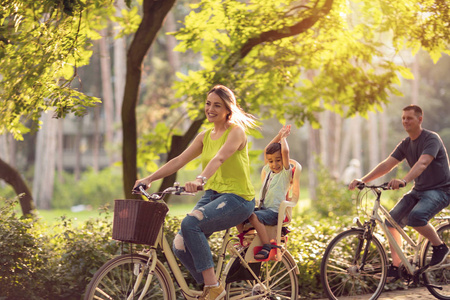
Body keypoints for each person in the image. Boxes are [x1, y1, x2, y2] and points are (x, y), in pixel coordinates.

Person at [133, 85, 257, 300]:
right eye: (208, 103)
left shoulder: (236, 131)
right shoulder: (204, 136)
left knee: (190, 223)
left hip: (238, 198)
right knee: (179, 246)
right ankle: (213, 289)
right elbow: (179, 160)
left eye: (217, 105)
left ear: (228, 109)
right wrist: (149, 178)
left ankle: (213, 287)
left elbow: (219, 158)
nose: (210, 108)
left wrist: (201, 179)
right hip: (213, 196)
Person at [349, 104, 450, 280]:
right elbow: (387, 164)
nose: (405, 121)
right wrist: (363, 180)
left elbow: (423, 163)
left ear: (420, 119)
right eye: (403, 118)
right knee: (391, 223)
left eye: (409, 118)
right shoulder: (405, 144)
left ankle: (439, 246)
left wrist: (404, 180)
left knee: (416, 218)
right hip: (419, 190)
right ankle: (397, 266)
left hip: (440, 190)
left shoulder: (431, 139)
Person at [236, 125, 292, 260]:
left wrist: (283, 138)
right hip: (263, 209)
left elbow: (284, 152)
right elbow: (267, 149)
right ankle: (244, 238)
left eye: (278, 160)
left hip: (274, 213)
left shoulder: (284, 173)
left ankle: (267, 245)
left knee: (254, 216)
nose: (274, 164)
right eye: (271, 161)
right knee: (237, 210)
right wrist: (279, 134)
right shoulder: (268, 170)